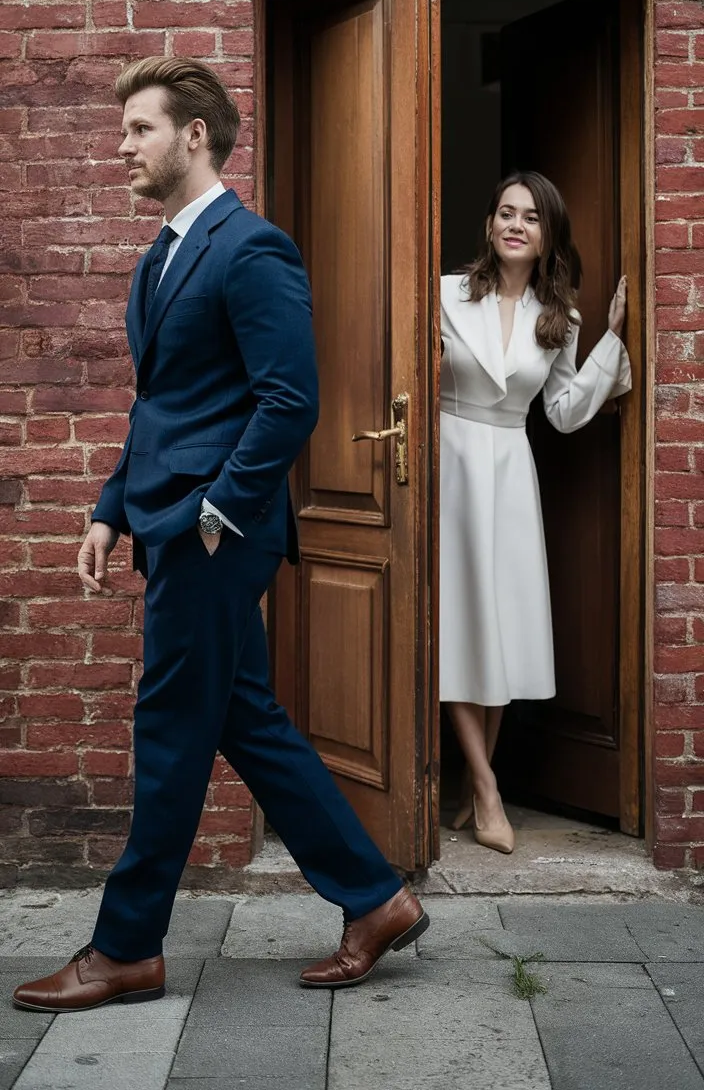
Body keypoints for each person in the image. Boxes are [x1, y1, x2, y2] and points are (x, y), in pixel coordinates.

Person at [13, 57, 428, 1013]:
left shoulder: (252, 250)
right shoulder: (158, 259)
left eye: (139, 131)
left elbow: (291, 402)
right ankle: (376, 899)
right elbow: (162, 403)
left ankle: (125, 948)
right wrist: (110, 507)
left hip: (214, 531)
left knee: (167, 728)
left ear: (193, 135)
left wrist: (214, 512)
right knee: (246, 717)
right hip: (166, 518)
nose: (121, 149)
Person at [440, 171, 630, 854]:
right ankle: (489, 791)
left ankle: (470, 781)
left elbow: (564, 411)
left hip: (512, 468)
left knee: (498, 625)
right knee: (459, 622)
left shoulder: (562, 318)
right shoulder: (442, 295)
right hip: (450, 464)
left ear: (547, 233)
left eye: (531, 217)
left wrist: (610, 342)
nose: (516, 224)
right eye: (505, 213)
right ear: (489, 225)